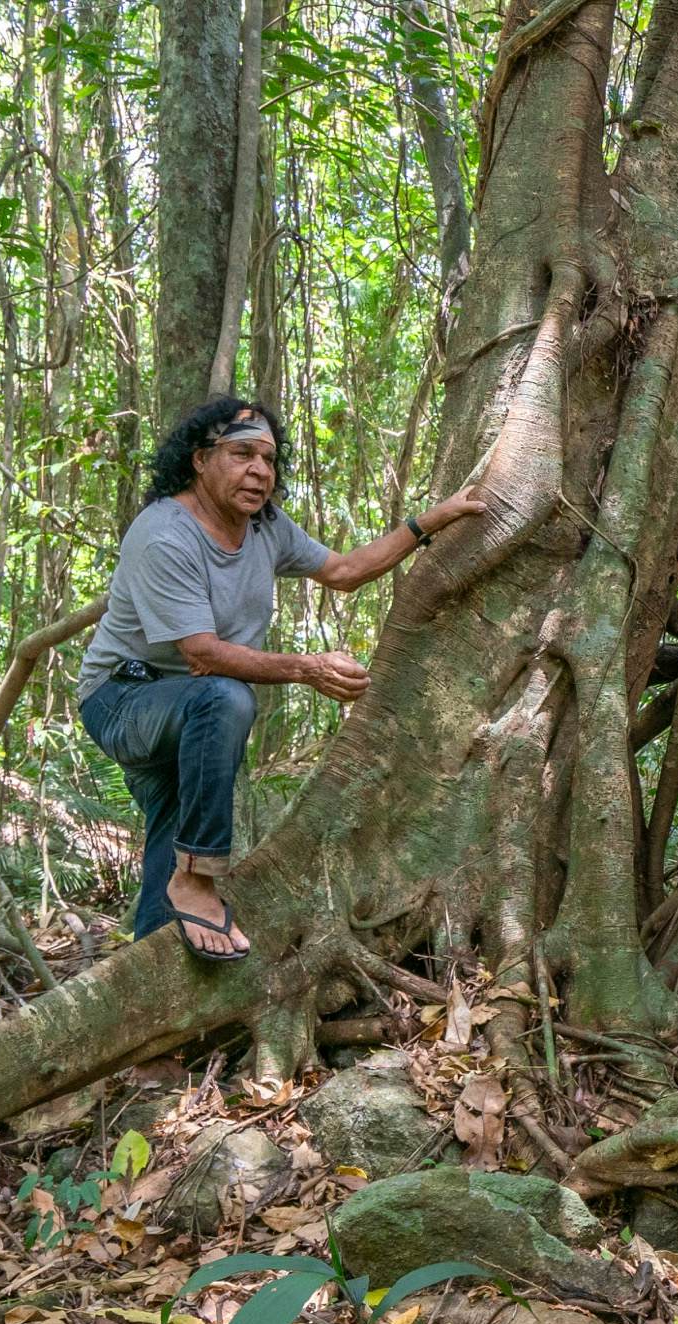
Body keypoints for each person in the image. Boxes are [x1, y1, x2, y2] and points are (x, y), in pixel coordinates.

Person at [77, 396, 484, 962]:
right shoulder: (164, 534)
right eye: (242, 454)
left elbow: (344, 571)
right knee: (223, 699)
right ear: (200, 460)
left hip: (187, 711)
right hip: (124, 699)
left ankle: (149, 1009)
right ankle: (200, 877)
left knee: (169, 846)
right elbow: (202, 655)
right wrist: (309, 668)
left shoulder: (266, 526)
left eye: (269, 459)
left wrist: (432, 519)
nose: (260, 471)